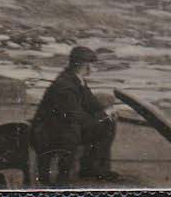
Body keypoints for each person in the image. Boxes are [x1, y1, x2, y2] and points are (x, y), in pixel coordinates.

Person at [31, 46, 119, 184]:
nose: (93, 68)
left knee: (107, 123)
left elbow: (92, 104)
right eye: (91, 64)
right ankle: (61, 178)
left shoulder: (77, 80)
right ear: (83, 65)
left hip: (63, 127)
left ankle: (93, 168)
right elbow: (77, 118)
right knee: (73, 129)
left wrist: (107, 112)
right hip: (47, 132)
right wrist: (103, 114)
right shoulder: (65, 85)